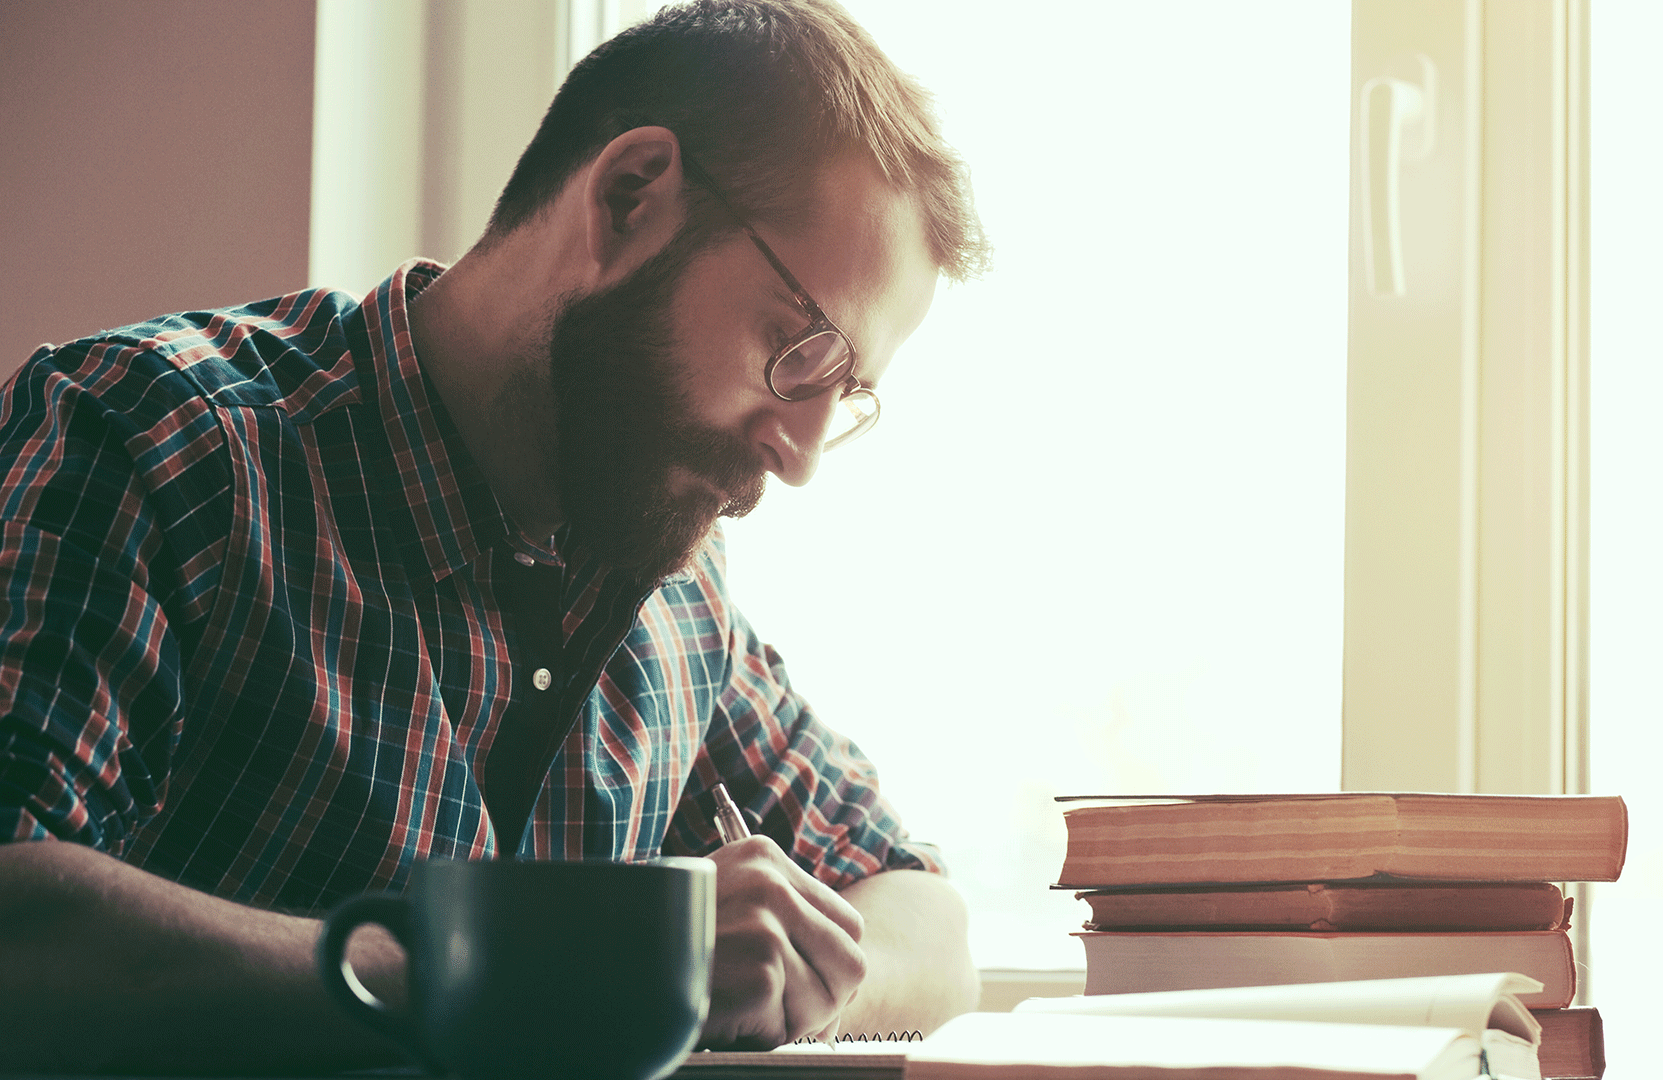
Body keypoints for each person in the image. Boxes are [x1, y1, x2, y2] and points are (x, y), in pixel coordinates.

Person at [0, 0, 989, 1071]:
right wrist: (539, 964)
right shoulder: (153, 440)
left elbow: (929, 926)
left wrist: (778, 981)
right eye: (797, 349)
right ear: (628, 199)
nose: (799, 454)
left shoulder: (676, 594)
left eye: (841, 396)